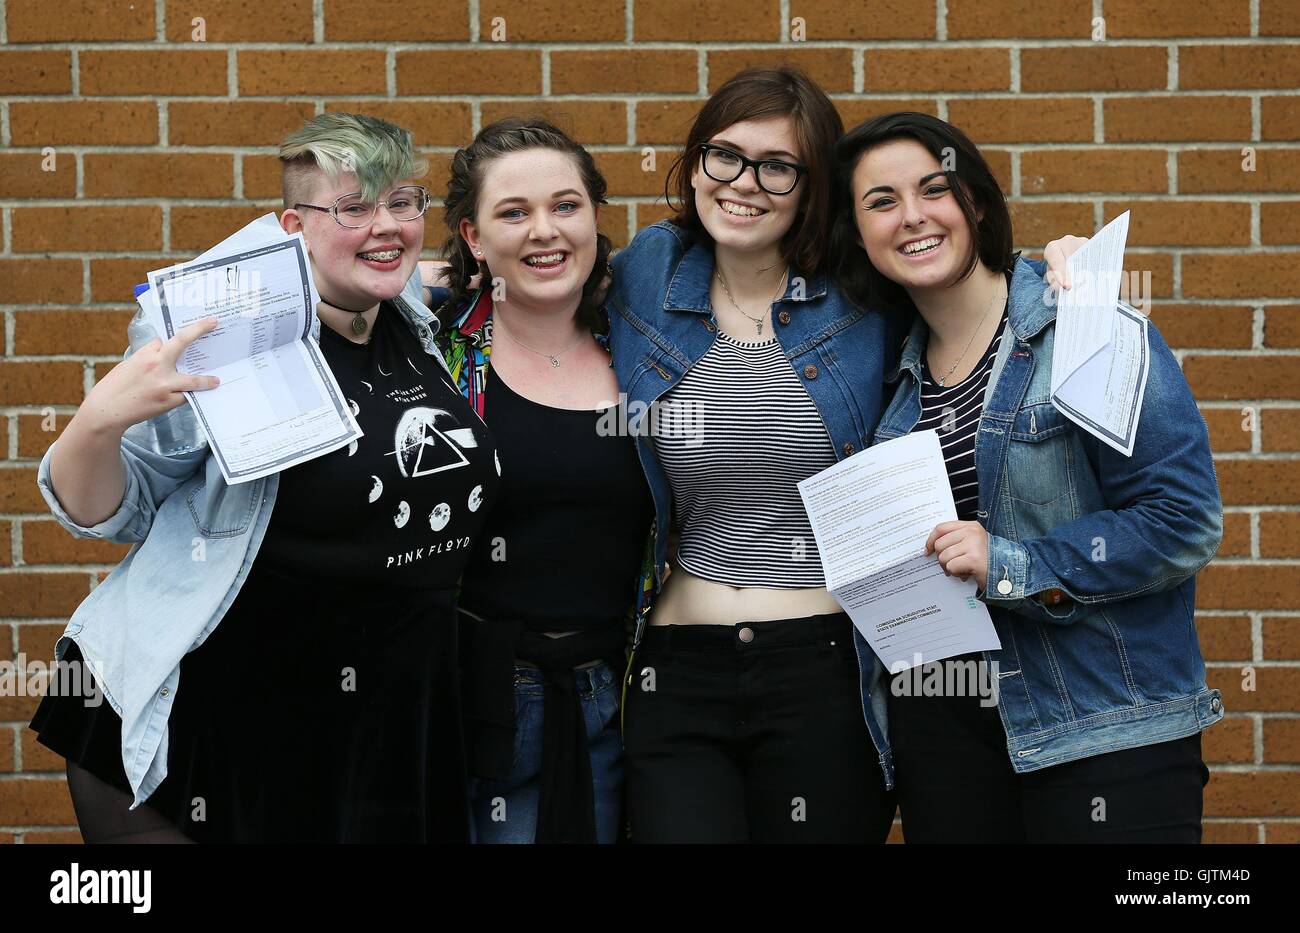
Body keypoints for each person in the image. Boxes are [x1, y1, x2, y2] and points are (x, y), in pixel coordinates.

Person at [607, 67, 1085, 843]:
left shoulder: (863, 292)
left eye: (777, 167)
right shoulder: (647, 273)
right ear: (695, 162)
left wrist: (1063, 271)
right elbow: (536, 278)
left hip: (828, 669)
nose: (743, 184)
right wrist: (422, 285)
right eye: (723, 155)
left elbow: (967, 278)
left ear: (811, 187)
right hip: (675, 664)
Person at [28, 112, 498, 843]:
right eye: (353, 206)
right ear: (290, 225)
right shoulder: (225, 338)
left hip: (384, 729)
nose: (386, 225)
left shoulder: (405, 311)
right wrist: (97, 422)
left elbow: (436, 264)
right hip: (217, 736)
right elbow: (111, 513)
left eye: (402, 201)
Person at [833, 110, 1224, 843]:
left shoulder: (1086, 325)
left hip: (1100, 726)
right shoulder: (888, 379)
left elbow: (1183, 519)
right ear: (857, 234)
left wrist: (1010, 563)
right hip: (946, 740)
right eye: (881, 202)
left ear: (975, 201)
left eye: (934, 189)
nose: (912, 216)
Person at [429, 118, 655, 844]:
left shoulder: (648, 351)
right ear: (472, 236)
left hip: (626, 695)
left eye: (565, 205)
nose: (544, 231)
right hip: (482, 699)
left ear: (594, 216)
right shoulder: (435, 356)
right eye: (513, 212)